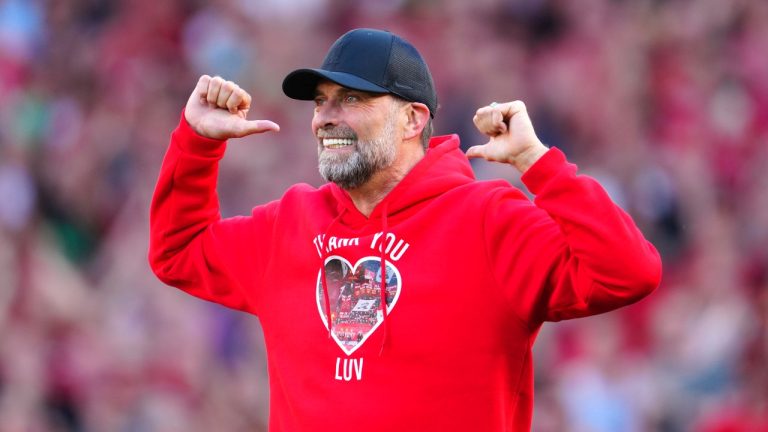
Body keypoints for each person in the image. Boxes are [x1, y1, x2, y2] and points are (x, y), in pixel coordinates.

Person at [149, 28, 661, 431]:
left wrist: (537, 162)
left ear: (413, 119)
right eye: (320, 102)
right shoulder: (289, 224)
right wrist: (196, 143)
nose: (325, 118)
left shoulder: (487, 220)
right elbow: (178, 251)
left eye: (350, 100)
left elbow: (627, 272)